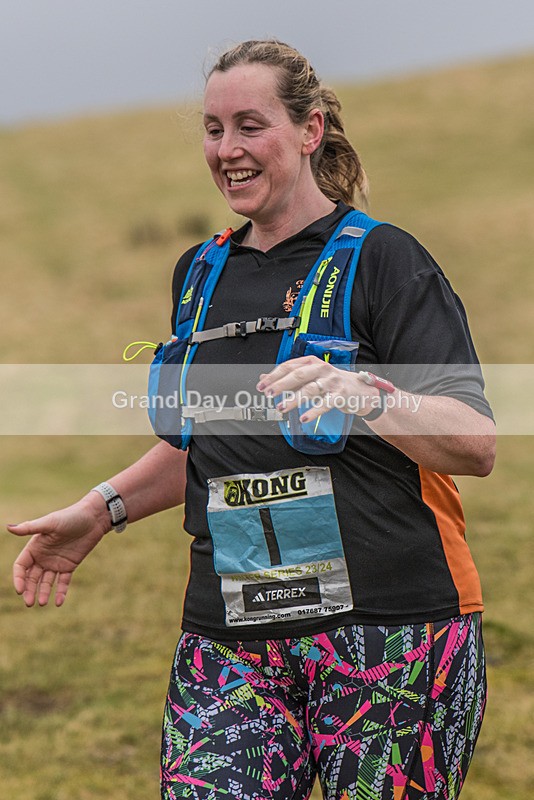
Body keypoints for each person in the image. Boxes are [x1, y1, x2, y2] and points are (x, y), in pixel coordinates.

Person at [8, 39, 495, 800]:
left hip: (394, 632)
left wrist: (364, 394)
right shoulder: (200, 275)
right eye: (213, 129)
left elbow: (474, 441)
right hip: (232, 644)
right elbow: (211, 445)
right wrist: (101, 509)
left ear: (310, 130)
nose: (227, 149)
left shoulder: (386, 261)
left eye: (249, 126)